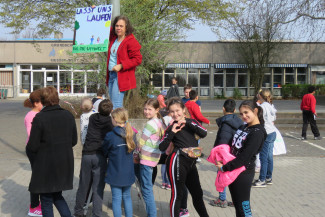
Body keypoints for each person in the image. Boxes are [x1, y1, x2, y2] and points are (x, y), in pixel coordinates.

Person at [27, 86, 77, 217]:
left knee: (46, 199)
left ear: (43, 101)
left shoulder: (40, 118)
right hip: (63, 164)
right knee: (57, 196)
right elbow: (74, 141)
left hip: (46, 166)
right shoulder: (68, 116)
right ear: (57, 99)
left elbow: (32, 145)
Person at [159, 97, 209, 217]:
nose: (175, 114)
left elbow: (204, 133)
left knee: (197, 193)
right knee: (177, 194)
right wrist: (172, 133)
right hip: (177, 161)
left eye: (177, 110)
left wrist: (187, 122)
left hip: (191, 163)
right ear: (169, 113)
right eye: (172, 111)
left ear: (183, 110)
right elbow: (161, 147)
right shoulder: (171, 127)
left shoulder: (192, 122)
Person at [216, 100, 267, 217]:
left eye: (246, 112)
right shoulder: (244, 127)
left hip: (243, 173)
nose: (243, 116)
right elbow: (232, 146)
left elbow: (245, 157)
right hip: (233, 171)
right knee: (238, 206)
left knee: (244, 207)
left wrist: (225, 167)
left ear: (255, 111)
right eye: (241, 114)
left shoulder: (258, 132)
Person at [74, 99, 114, 217]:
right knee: (98, 188)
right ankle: (97, 214)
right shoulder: (109, 122)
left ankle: (78, 211)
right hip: (100, 156)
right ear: (111, 111)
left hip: (87, 154)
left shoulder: (92, 118)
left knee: (83, 185)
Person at [102, 108, 136, 217]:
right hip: (128, 172)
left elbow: (105, 151)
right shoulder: (132, 134)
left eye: (112, 117)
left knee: (116, 199)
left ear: (115, 119)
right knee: (127, 197)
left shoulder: (110, 136)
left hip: (115, 172)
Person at [210, 99, 243, 208]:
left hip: (225, 155)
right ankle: (236, 199)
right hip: (236, 153)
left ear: (223, 109)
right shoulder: (240, 122)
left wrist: (218, 157)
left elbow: (222, 142)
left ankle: (222, 199)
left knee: (221, 175)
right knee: (234, 176)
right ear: (234, 110)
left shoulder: (225, 124)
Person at [134, 98, 165, 217]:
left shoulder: (150, 124)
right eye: (145, 109)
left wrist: (136, 154)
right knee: (145, 185)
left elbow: (141, 142)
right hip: (153, 158)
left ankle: (152, 214)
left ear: (157, 110)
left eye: (149, 109)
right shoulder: (159, 122)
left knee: (146, 189)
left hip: (146, 159)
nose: (146, 111)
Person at [106, 15, 142, 109]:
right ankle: (122, 124)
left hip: (120, 76)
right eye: (117, 26)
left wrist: (121, 66)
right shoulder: (114, 37)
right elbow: (103, 26)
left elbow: (138, 59)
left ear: (126, 27)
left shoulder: (131, 41)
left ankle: (121, 124)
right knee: (113, 106)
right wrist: (95, 12)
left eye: (121, 26)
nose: (118, 28)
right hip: (111, 75)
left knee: (116, 106)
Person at [24, 89, 43, 217]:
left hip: (38, 148)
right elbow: (32, 135)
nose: (44, 104)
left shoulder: (39, 114)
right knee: (36, 177)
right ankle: (34, 206)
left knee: (39, 176)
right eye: (42, 102)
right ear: (36, 103)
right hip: (34, 149)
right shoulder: (31, 116)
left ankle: (38, 203)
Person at [253, 89, 277, 187]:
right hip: (272, 132)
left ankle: (262, 179)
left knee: (264, 158)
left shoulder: (262, 107)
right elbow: (274, 118)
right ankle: (268, 177)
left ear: (260, 96)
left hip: (266, 133)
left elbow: (258, 119)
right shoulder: (270, 105)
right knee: (269, 157)